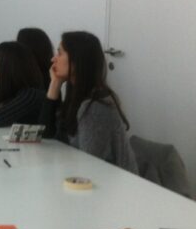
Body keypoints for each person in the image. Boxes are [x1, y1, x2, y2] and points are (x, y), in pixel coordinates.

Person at [39, 31, 137, 172]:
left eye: (60, 53)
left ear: (77, 60)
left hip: (112, 187)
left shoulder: (95, 107)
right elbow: (46, 134)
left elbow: (90, 167)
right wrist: (55, 84)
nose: (53, 59)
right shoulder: (75, 95)